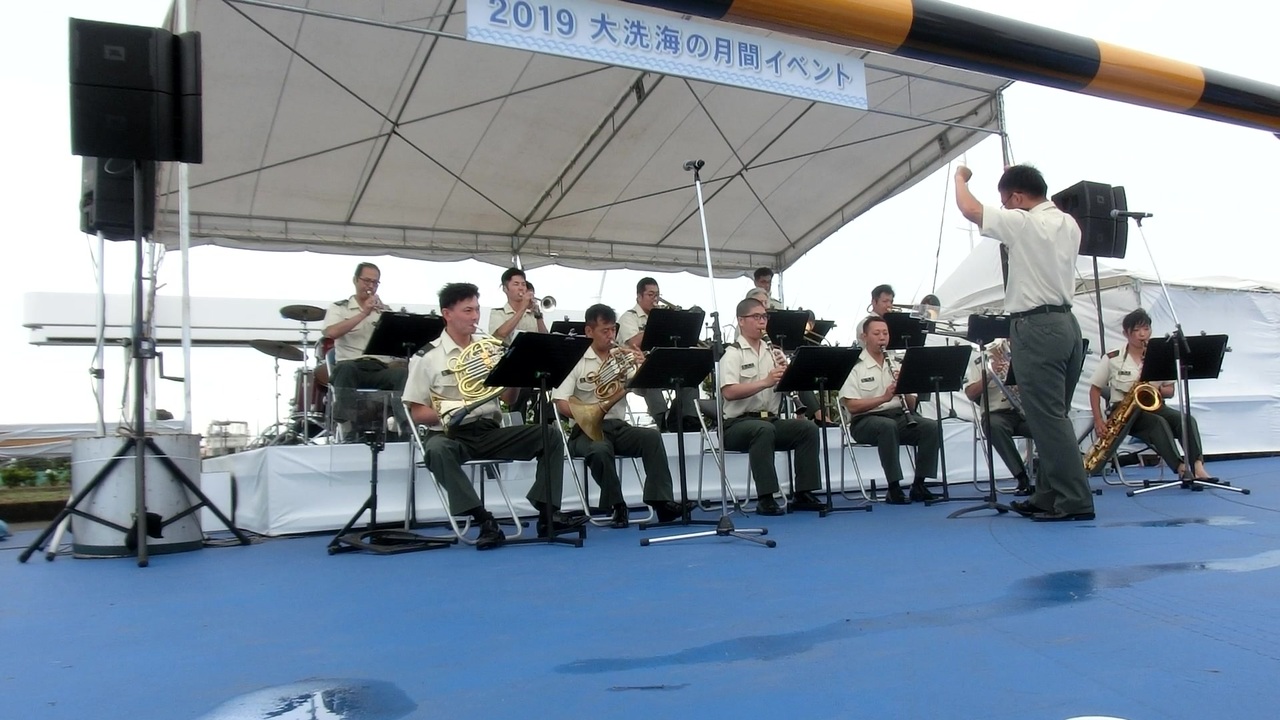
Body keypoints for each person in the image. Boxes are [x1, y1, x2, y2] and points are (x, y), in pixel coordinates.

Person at [955, 163, 1094, 521]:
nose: (1005, 207)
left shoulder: (1022, 222)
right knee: (1053, 417)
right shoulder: (1069, 223)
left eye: (1006, 201)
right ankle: (1047, 495)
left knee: (1046, 418)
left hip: (1036, 326)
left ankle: (1075, 500)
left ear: (1017, 198)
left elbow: (970, 208)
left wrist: (960, 178)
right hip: (1066, 324)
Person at [403, 282, 582, 550]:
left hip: (488, 430)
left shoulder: (489, 349)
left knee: (551, 435)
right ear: (447, 314)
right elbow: (416, 411)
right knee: (437, 450)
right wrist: (451, 412)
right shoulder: (427, 357)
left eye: (476, 309)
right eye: (467, 310)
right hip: (450, 434)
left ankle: (547, 514)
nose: (475, 316)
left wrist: (515, 372)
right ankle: (483, 519)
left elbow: (508, 400)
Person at [552, 304, 691, 527]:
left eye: (613, 330)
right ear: (589, 331)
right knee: (599, 449)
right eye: (604, 331)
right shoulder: (575, 360)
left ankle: (661, 502)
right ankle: (617, 504)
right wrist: (587, 415)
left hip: (618, 426)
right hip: (584, 431)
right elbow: (561, 403)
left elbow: (641, 390)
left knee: (651, 437)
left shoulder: (620, 357)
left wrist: (644, 368)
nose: (611, 336)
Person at [719, 297, 825, 516]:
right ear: (741, 320)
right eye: (756, 317)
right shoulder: (733, 353)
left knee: (807, 429)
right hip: (737, 424)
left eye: (764, 317)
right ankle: (766, 498)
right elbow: (729, 392)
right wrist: (766, 381)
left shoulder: (772, 351)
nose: (762, 322)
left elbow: (783, 389)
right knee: (763, 430)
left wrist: (787, 377)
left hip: (770, 419)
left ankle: (803, 492)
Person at [1087, 308, 1214, 480]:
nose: (1142, 335)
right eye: (1136, 330)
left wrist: (1154, 389)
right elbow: (1095, 389)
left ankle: (1197, 465)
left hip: (1155, 406)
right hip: (1125, 412)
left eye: (1146, 329)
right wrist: (1098, 420)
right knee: (1158, 423)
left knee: (1186, 420)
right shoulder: (1113, 357)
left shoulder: (1159, 356)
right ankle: (1180, 467)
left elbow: (1170, 391)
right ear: (1126, 334)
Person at [839, 315, 940, 504]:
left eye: (885, 333)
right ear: (864, 337)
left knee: (930, 427)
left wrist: (904, 385)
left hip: (899, 416)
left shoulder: (896, 363)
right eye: (876, 333)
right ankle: (894, 487)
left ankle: (919, 484)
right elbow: (852, 406)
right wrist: (883, 398)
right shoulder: (854, 366)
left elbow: (912, 405)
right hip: (865, 420)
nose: (882, 338)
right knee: (887, 426)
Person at [322, 263, 409, 437]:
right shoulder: (339, 307)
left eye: (375, 282)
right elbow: (331, 332)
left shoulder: (383, 310)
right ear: (355, 280)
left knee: (402, 374)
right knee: (345, 369)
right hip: (351, 365)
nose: (371, 286)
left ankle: (405, 427)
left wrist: (389, 317)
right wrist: (364, 313)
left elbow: (398, 344)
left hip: (379, 368)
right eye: (367, 281)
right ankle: (347, 428)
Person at [618, 277, 700, 432]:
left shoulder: (660, 315)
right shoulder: (628, 317)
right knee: (650, 374)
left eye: (657, 295)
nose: (655, 299)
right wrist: (658, 322)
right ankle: (663, 421)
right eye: (650, 295)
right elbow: (634, 343)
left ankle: (689, 419)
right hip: (634, 368)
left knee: (689, 378)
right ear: (639, 296)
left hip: (662, 365)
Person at [964, 339, 1034, 496]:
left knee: (1045, 426)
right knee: (993, 426)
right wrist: (990, 374)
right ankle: (1021, 477)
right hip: (996, 413)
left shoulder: (1022, 357)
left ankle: (1049, 478)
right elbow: (970, 393)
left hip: (1022, 412)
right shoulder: (980, 362)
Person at [487, 267, 547, 419]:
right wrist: (522, 309)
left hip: (532, 366)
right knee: (518, 403)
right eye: (516, 284)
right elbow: (500, 334)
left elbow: (545, 338)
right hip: (510, 368)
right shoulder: (498, 313)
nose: (521, 288)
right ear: (505, 289)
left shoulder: (532, 314)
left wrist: (538, 315)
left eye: (523, 284)